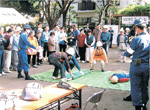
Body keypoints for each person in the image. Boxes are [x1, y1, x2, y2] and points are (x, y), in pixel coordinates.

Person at [123, 19, 150, 110]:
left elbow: (129, 53)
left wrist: (125, 53)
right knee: (144, 86)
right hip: (146, 65)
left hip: (137, 65)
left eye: (135, 28)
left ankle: (138, 107)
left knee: (136, 87)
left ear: (137, 28)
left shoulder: (137, 39)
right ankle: (144, 105)